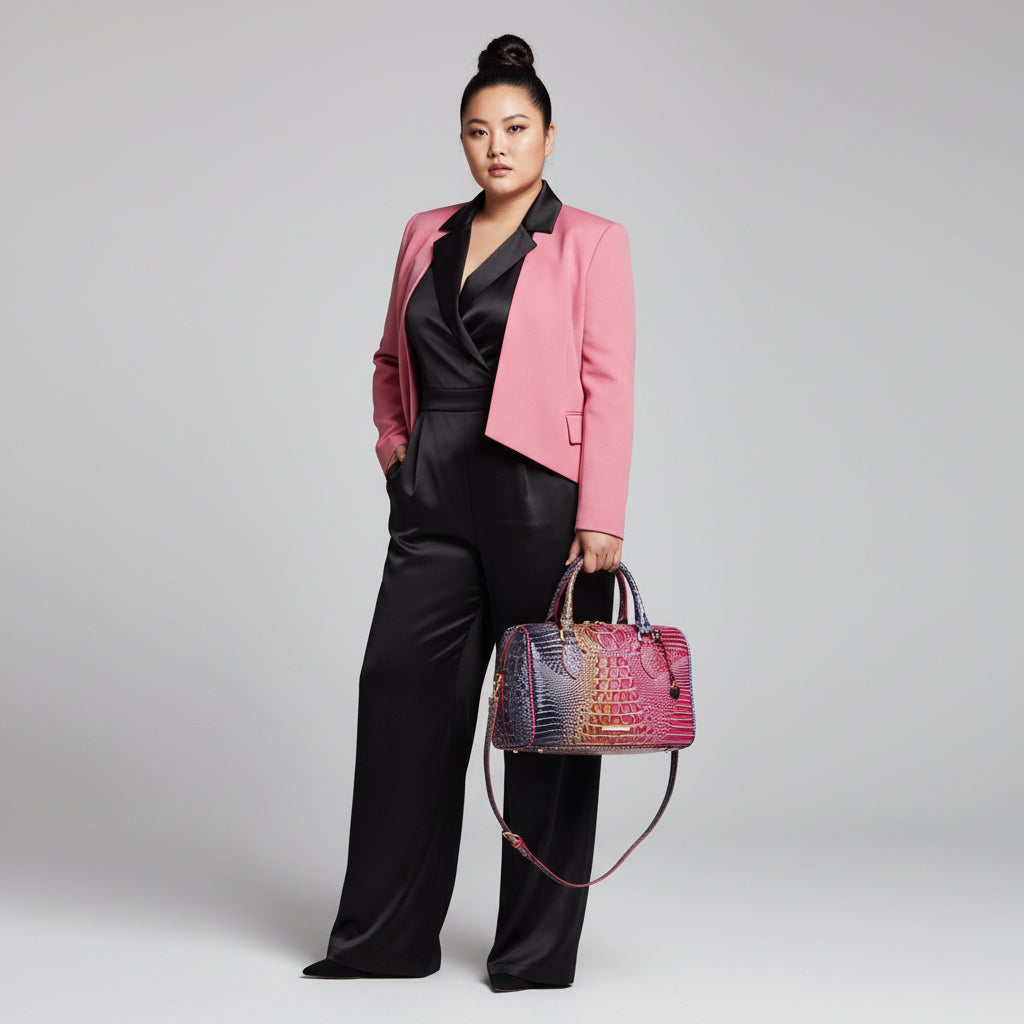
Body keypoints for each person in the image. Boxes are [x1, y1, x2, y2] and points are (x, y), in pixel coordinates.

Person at [302, 33, 635, 992]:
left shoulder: (590, 243)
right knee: (402, 704)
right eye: (479, 131)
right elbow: (384, 362)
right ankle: (383, 942)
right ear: (461, 140)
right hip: (434, 491)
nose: (498, 146)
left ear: (548, 136)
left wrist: (601, 513)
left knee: (550, 728)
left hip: (542, 497)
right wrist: (395, 453)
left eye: (516, 128)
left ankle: (531, 958)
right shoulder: (423, 232)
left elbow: (609, 387)